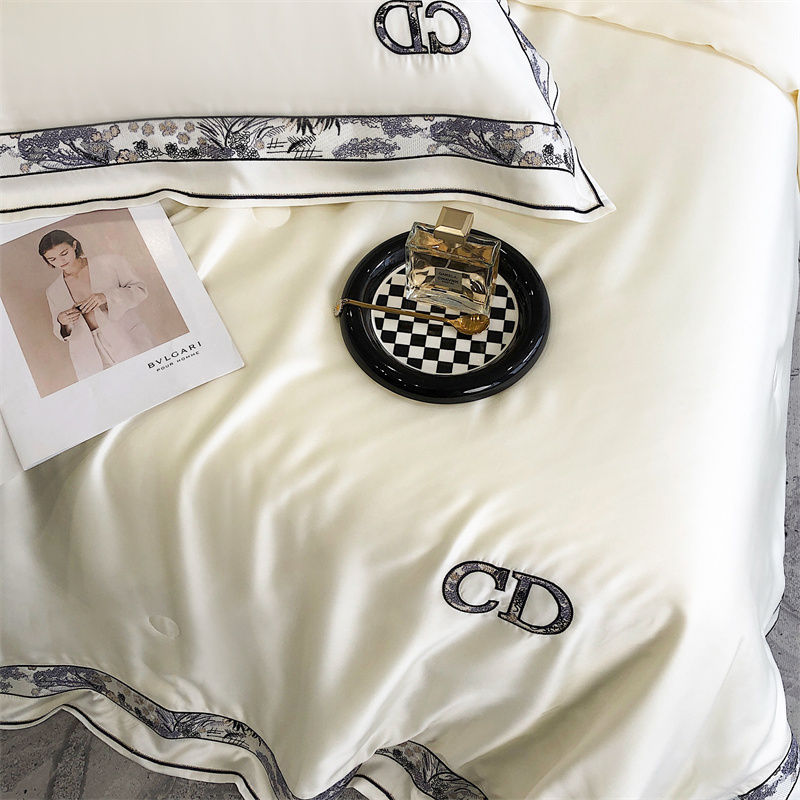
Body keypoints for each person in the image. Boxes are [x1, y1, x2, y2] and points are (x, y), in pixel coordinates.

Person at [39, 230, 155, 379]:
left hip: (124, 336)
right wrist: (62, 321)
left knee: (147, 378)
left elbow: (140, 289)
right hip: (88, 352)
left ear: (74, 245)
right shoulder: (53, 291)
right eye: (52, 259)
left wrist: (106, 297)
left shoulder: (110, 262)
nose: (61, 261)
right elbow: (60, 332)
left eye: (64, 253)